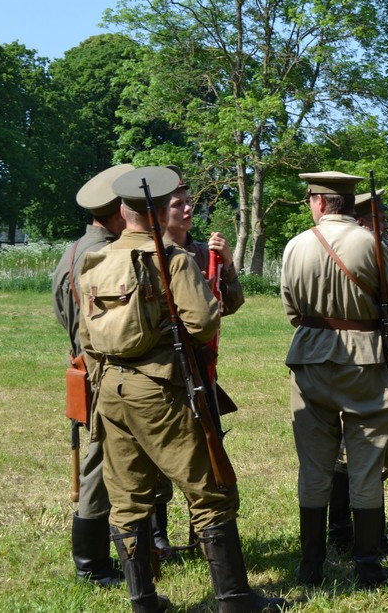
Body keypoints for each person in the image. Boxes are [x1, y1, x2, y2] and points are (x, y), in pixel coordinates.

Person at [80, 166, 285, 612]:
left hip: (111, 389)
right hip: (160, 388)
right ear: (155, 213)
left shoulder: (97, 259)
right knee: (211, 490)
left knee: (128, 498)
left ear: (125, 210)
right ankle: (235, 599)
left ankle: (144, 601)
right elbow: (203, 320)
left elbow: (86, 335)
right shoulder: (170, 258)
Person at [281, 171, 388, 588]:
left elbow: (291, 309)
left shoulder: (295, 245)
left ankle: (312, 566)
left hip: (310, 361)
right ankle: (368, 566)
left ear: (319, 202)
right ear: (347, 202)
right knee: (366, 465)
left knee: (314, 467)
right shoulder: (372, 244)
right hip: (366, 362)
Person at [151, 168, 245, 557]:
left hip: (204, 369)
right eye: (178, 204)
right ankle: (156, 536)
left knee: (208, 451)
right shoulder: (151, 252)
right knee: (160, 457)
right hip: (166, 371)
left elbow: (232, 304)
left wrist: (227, 262)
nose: (188, 210)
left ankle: (202, 535)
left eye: (189, 203)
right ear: (160, 211)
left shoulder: (205, 252)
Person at [52, 162, 133, 588]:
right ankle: (92, 563)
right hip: (105, 368)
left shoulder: (72, 251)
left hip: (86, 364)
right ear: (121, 209)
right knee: (100, 461)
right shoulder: (104, 256)